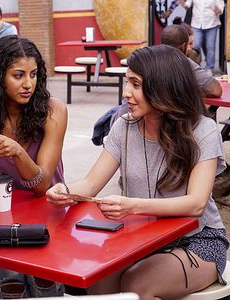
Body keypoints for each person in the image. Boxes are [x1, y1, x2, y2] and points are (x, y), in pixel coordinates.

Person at [47, 45, 228, 299]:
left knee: (137, 285)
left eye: (135, 84)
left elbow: (196, 204)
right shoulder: (124, 126)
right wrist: (65, 191)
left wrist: (131, 206)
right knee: (98, 284)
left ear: (163, 87)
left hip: (198, 239)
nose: (126, 93)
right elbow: (90, 184)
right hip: (141, 238)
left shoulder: (202, 130)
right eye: (126, 82)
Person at [0, 35, 67, 298]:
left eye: (33, 75)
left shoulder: (53, 110)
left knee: (46, 286)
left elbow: (42, 184)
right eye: (18, 75)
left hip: (48, 209)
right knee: (11, 288)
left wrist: (18, 152)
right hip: (5, 211)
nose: (28, 84)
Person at [161, 24, 222, 98]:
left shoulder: (150, 58)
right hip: (178, 108)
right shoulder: (185, 62)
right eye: (189, 44)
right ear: (183, 46)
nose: (191, 47)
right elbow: (216, 90)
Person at [181, 0, 225, 75]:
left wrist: (218, 10)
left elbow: (221, 9)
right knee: (196, 45)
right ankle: (196, 65)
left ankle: (209, 68)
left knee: (210, 46)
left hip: (211, 23)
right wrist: (183, 4)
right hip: (196, 23)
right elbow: (188, 4)